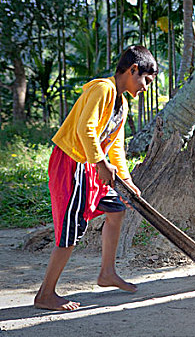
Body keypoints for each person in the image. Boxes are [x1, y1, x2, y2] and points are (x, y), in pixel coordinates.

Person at [34, 45, 158, 311]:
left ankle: (107, 273)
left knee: (117, 208)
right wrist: (101, 163)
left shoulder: (122, 105)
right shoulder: (102, 89)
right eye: (146, 80)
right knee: (71, 230)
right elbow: (84, 129)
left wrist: (126, 182)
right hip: (71, 162)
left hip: (92, 167)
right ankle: (45, 294)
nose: (146, 87)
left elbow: (115, 148)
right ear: (133, 70)